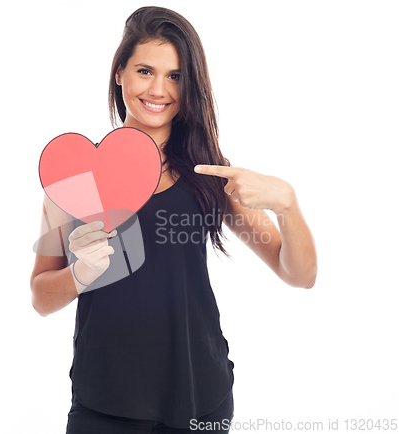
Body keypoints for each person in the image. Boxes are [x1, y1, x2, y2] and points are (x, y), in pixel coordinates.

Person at [30, 6, 317, 434]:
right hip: (105, 404)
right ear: (119, 73)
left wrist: (288, 205)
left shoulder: (210, 174)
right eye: (145, 71)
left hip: (201, 398)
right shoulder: (73, 175)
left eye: (176, 76)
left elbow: (299, 275)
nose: (159, 89)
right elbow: (40, 297)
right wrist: (81, 274)